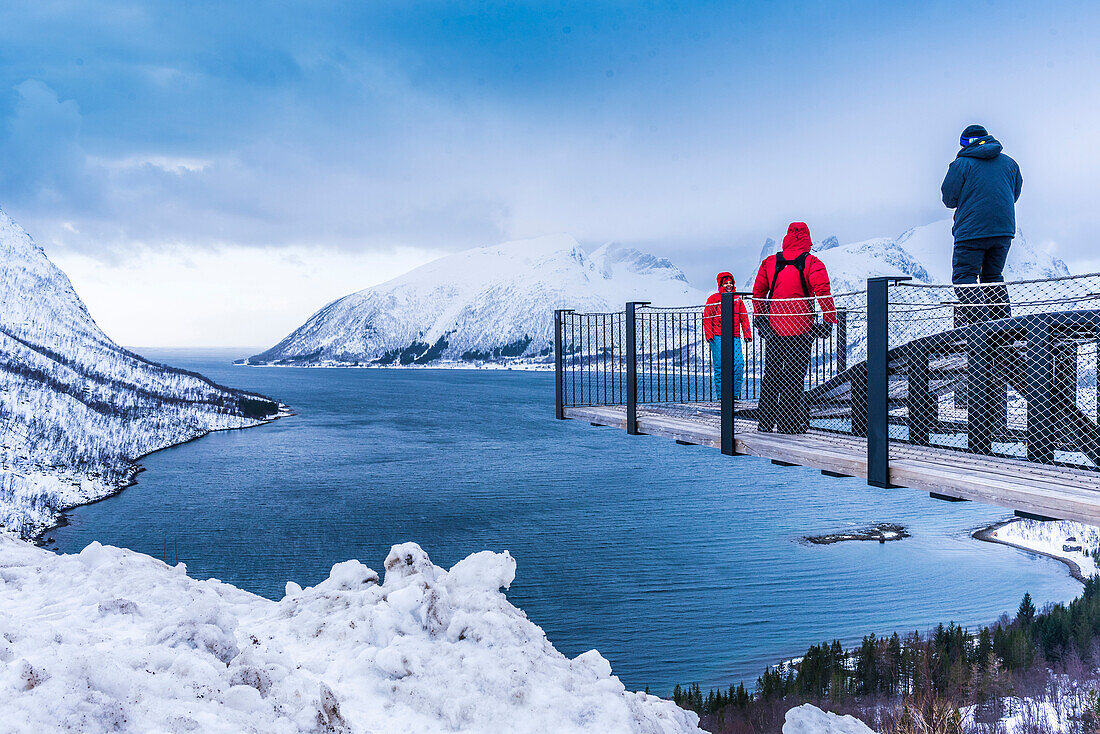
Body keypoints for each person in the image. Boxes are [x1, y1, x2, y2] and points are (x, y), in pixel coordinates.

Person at [751, 223, 836, 434]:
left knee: (771, 376)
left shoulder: (770, 262)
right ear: (807, 239)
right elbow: (823, 292)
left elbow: (758, 292)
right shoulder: (813, 262)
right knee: (793, 377)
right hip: (802, 328)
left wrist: (761, 320)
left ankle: (765, 422)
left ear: (787, 237)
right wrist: (828, 321)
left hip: (774, 328)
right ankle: (788, 425)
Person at [941, 124, 1023, 326]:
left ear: (964, 144)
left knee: (964, 278)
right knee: (993, 277)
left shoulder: (961, 164)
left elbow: (949, 199)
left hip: (971, 231)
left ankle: (982, 328)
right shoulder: (1010, 163)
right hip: (1003, 230)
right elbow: (1015, 194)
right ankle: (1004, 329)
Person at [702, 272, 752, 400]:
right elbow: (707, 318)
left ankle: (734, 395)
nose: (729, 285)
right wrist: (709, 336)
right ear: (721, 284)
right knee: (720, 366)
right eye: (726, 283)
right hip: (717, 336)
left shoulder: (737, 300)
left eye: (731, 283)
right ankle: (721, 397)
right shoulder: (713, 299)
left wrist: (747, 334)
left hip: (734, 336)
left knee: (739, 364)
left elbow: (744, 318)